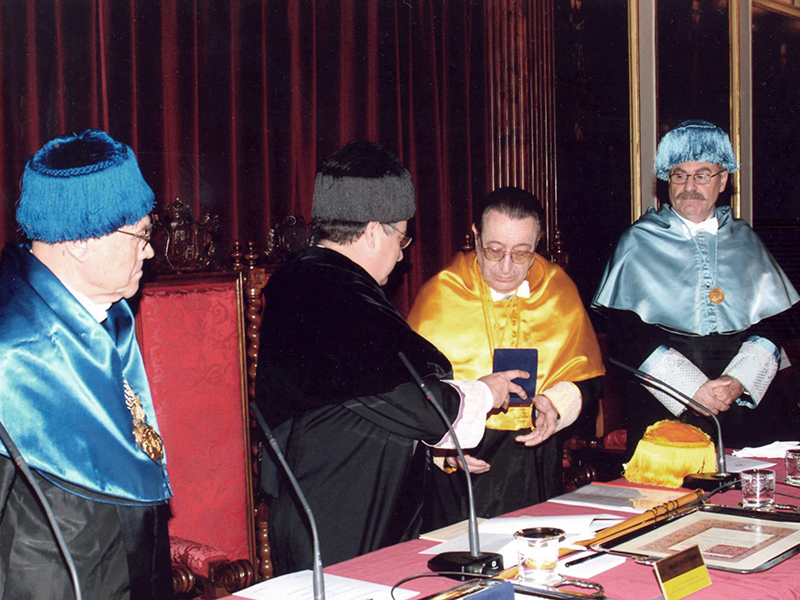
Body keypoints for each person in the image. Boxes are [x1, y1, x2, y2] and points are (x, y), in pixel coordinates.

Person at [254, 141, 526, 575]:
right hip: (339, 526)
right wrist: (484, 393)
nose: (402, 254)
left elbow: (372, 402)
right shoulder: (336, 296)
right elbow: (415, 401)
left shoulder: (309, 281)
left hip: (331, 511)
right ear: (373, 231)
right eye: (401, 238)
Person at [0, 130, 172, 600]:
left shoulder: (108, 315)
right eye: (141, 234)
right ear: (81, 240)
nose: (150, 250)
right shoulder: (11, 351)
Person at [592, 119, 799, 457]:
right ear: (667, 180)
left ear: (722, 180)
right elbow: (626, 332)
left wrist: (737, 382)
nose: (689, 187)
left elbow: (773, 323)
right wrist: (693, 388)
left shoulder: (746, 240)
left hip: (743, 405)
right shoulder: (638, 242)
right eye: (679, 175)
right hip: (665, 404)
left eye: (702, 175)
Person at [407, 187, 605, 527]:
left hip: (535, 465)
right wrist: (444, 450)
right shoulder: (439, 296)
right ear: (476, 237)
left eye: (522, 253)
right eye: (494, 250)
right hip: (461, 477)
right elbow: (412, 398)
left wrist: (556, 404)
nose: (507, 267)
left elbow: (588, 379)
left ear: (537, 243)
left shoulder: (559, 290)